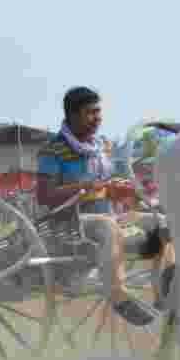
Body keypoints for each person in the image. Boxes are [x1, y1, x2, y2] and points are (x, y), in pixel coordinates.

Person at [37, 86, 153, 326]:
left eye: (99, 112)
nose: (98, 118)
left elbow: (107, 185)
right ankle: (118, 297)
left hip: (107, 214)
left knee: (158, 222)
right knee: (108, 226)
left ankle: (169, 292)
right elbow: (44, 196)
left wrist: (120, 189)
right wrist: (84, 187)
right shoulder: (53, 149)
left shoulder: (103, 145)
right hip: (69, 223)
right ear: (72, 115)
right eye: (90, 113)